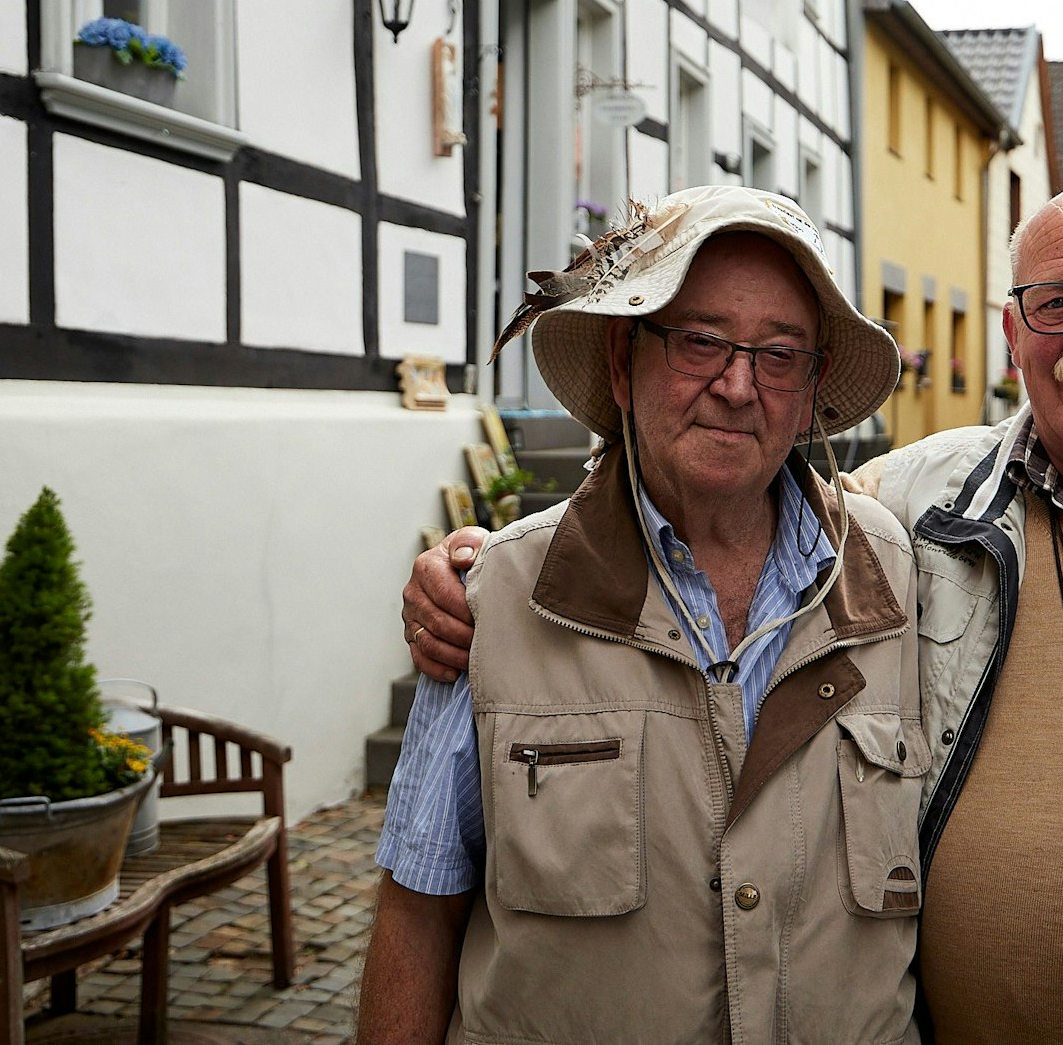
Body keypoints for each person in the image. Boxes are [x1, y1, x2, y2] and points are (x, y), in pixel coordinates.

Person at [403, 182, 1063, 1044]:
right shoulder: (913, 511)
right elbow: (718, 500)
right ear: (1013, 333)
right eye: (1055, 302)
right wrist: (478, 564)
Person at [363, 185, 923, 1044]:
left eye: (780, 356)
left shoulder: (899, 575)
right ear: (623, 364)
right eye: (700, 342)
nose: (739, 386)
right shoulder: (501, 596)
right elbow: (418, 908)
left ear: (811, 393)